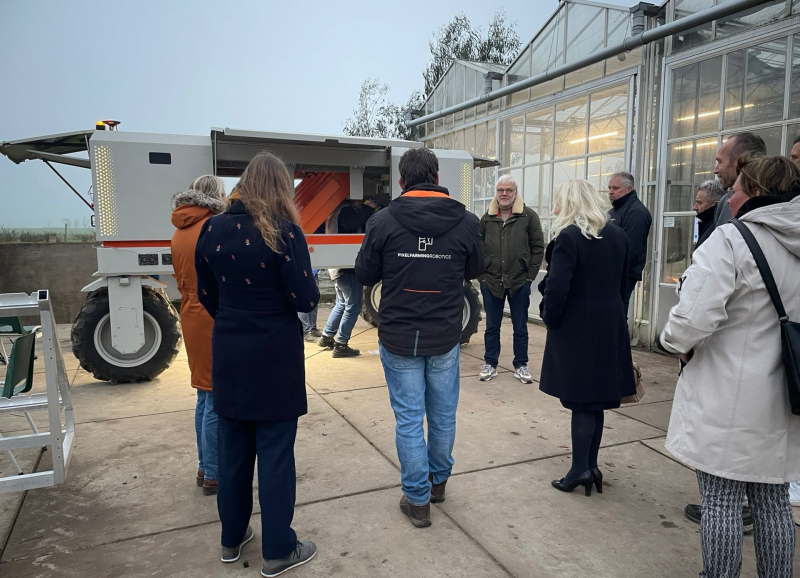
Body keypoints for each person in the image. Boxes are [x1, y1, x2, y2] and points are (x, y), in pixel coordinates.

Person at [659, 155, 800, 577]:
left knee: (720, 500)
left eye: (737, 188)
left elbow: (692, 318)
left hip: (729, 397)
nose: (731, 196)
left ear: (755, 192)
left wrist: (674, 344)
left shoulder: (731, 240)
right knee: (772, 500)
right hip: (785, 395)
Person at [195, 152, 319, 577]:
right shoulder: (285, 234)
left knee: (232, 453)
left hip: (229, 351)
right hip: (275, 356)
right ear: (281, 188)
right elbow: (305, 299)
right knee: (275, 455)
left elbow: (207, 295)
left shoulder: (211, 229)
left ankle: (231, 539)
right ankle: (279, 550)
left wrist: (236, 317)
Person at [355, 147, 484, 528]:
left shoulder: (382, 221)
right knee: (442, 414)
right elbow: (476, 268)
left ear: (401, 180)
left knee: (409, 418)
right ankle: (438, 482)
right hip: (444, 333)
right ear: (437, 176)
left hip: (398, 335)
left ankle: (418, 500)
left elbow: (365, 273)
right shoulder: (466, 221)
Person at [684, 131, 767, 531]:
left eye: (721, 160)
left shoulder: (740, 220)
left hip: (733, 347)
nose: (715, 167)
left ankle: (729, 508)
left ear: (743, 165)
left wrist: (681, 341)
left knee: (723, 449)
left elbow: (714, 288)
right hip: (756, 352)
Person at [538, 180, 635, 496]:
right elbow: (623, 284)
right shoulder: (618, 234)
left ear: (568, 203)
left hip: (578, 329)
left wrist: (551, 320)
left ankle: (580, 468)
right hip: (608, 325)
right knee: (595, 402)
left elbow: (556, 288)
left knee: (581, 401)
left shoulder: (569, 236)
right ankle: (590, 465)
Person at [170, 175, 227, 496]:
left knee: (204, 396)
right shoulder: (210, 228)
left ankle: (205, 465)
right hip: (210, 313)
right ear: (216, 196)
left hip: (191, 312)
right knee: (215, 397)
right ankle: (215, 473)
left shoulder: (180, 229)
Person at [478, 175, 544, 384]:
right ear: (496, 193)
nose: (504, 194)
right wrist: (482, 277)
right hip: (492, 282)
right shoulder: (486, 219)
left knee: (520, 326)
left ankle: (521, 365)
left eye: (509, 190)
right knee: (491, 326)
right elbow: (476, 249)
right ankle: (490, 363)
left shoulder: (528, 217)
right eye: (500, 190)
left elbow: (538, 248)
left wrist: (529, 277)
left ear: (516, 193)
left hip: (519, 282)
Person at [316, 200, 375, 357]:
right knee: (353, 306)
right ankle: (341, 344)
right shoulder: (345, 211)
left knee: (342, 303)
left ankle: (327, 336)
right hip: (347, 268)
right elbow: (351, 224)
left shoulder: (335, 210)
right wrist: (369, 209)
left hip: (338, 267)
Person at [607, 171, 652, 315]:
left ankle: (620, 338)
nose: (611, 192)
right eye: (609, 188)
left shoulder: (636, 212)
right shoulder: (615, 211)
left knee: (617, 316)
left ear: (628, 189)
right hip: (613, 274)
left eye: (615, 188)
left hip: (622, 276)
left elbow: (630, 249)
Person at [713, 132, 768, 226]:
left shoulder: (773, 203)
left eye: (720, 162)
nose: (715, 170)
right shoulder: (724, 202)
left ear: (739, 161)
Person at [693, 180, 724, 249]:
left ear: (715, 204)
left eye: (700, 203)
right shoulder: (708, 225)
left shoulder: (718, 230)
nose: (694, 207)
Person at [298, 269, 321, 341]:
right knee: (303, 301)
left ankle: (313, 328)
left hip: (314, 272)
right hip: (302, 272)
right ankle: (306, 331)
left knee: (314, 299)